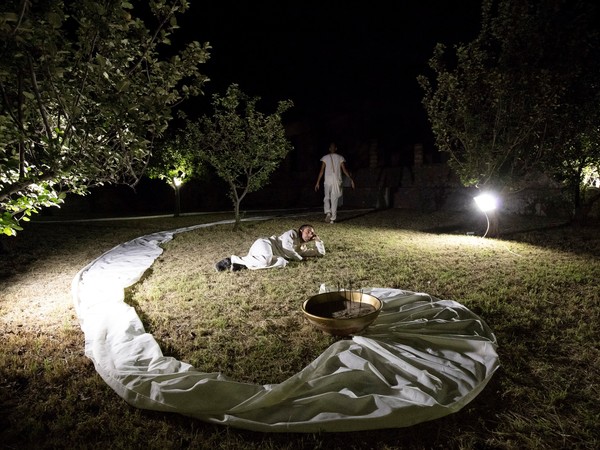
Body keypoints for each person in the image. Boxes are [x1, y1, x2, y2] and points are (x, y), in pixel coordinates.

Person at [214, 224, 325, 272]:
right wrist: (300, 259)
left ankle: (244, 265)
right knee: (266, 260)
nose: (310, 234)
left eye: (312, 233)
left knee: (283, 262)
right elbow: (287, 249)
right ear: (301, 231)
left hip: (272, 255)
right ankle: (232, 259)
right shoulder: (292, 233)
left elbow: (320, 254)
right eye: (308, 231)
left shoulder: (302, 248)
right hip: (265, 244)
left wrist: (318, 241)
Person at [314, 142, 355, 224]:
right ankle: (332, 219)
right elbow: (344, 170)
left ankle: (328, 212)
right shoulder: (340, 157)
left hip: (328, 180)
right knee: (334, 199)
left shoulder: (325, 157)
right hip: (336, 180)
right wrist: (351, 179)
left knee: (326, 197)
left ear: (330, 149)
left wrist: (317, 182)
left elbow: (321, 171)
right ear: (335, 149)